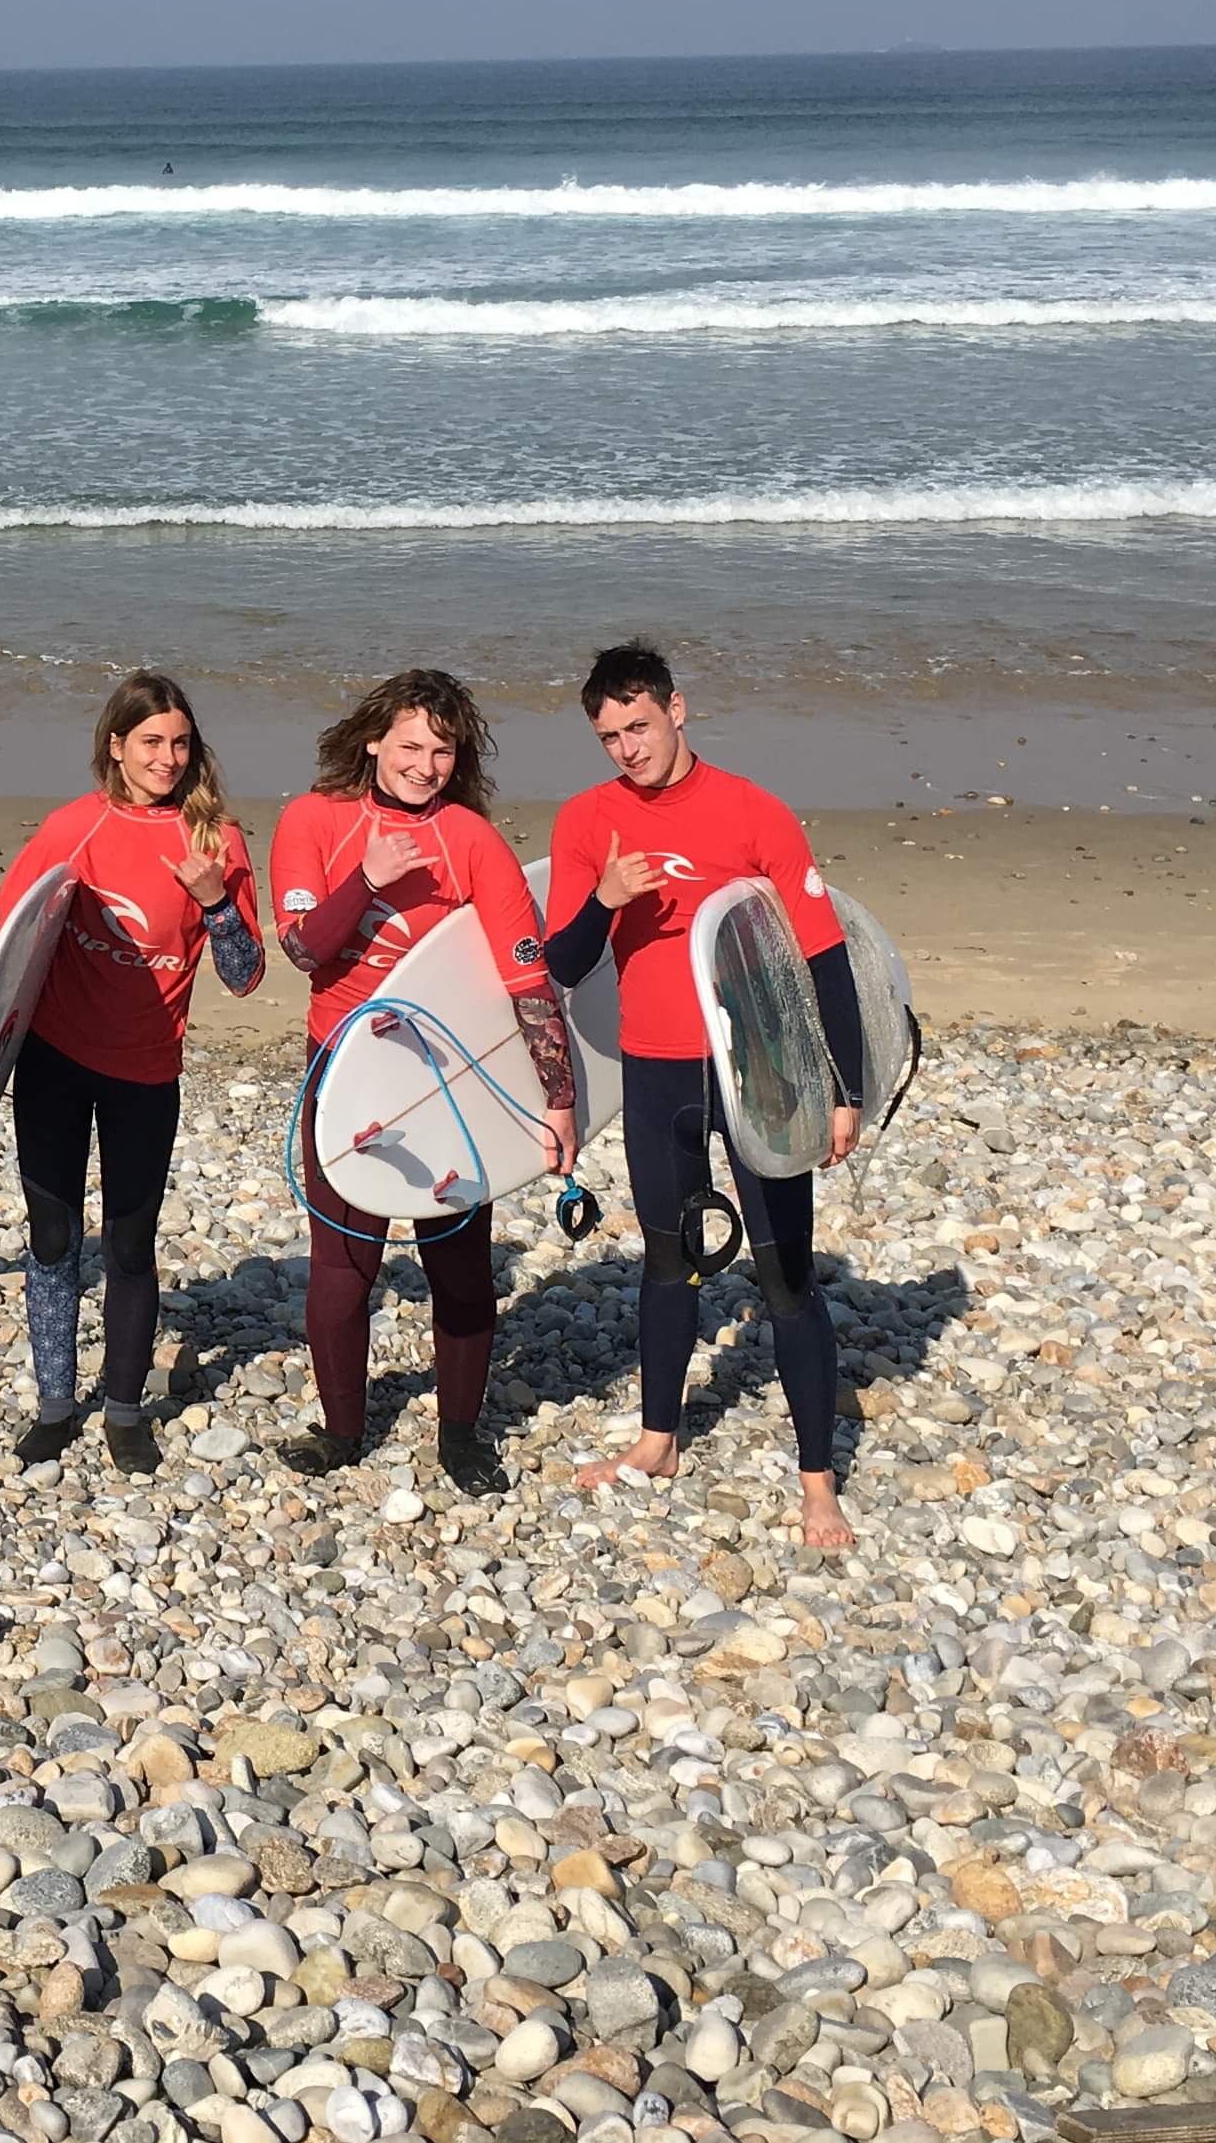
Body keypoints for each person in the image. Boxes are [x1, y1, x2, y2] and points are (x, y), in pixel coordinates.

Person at [537, 639, 869, 1551]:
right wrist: (603, 897)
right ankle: (658, 1443)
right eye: (609, 736)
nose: (627, 749)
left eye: (638, 727)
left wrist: (844, 1090)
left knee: (785, 1271)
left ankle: (817, 1484)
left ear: (678, 711)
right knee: (666, 1257)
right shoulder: (586, 823)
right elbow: (564, 965)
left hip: (756, 1069)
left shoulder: (753, 812)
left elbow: (824, 956)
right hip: (658, 1068)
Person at [0, 671, 263, 1473]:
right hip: (54, 1061)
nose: (167, 758)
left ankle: (124, 1410)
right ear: (116, 746)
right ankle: (56, 1403)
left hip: (145, 1072)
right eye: (151, 742)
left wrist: (217, 900)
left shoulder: (215, 840)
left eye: (180, 743)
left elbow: (246, 974)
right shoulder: (71, 829)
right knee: (51, 1237)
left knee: (130, 1243)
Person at [269, 669, 575, 1495]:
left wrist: (559, 1099)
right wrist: (366, 878)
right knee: (343, 1261)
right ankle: (340, 1430)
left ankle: (462, 1436)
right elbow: (302, 951)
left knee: (460, 1260)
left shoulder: (472, 841)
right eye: (411, 745)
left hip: (447, 1078)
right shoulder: (312, 820)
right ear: (373, 740)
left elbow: (526, 983)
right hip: (343, 1064)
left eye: (443, 749)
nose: (426, 763)